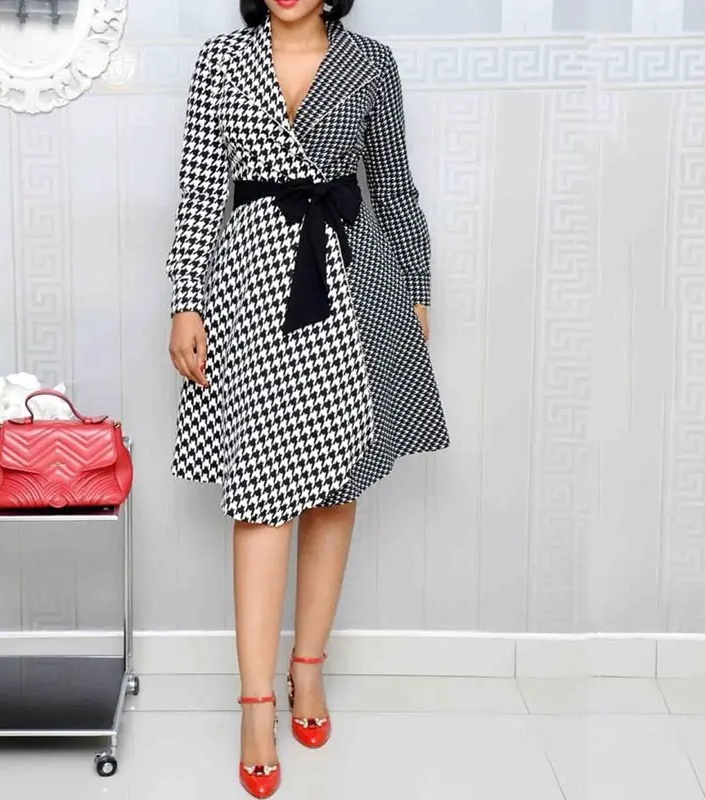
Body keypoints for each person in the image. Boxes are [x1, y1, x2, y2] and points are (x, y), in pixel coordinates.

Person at [166, 0, 450, 795]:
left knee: (334, 485)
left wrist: (417, 285)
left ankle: (309, 668)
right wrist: (186, 300)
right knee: (262, 493)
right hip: (252, 286)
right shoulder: (221, 61)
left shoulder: (371, 62)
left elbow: (393, 188)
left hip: (356, 281)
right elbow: (199, 190)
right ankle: (256, 704)